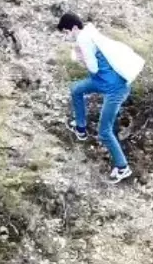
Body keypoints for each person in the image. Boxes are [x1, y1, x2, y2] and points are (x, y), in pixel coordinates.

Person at [58, 13, 144, 184]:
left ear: (74, 28)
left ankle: (122, 167)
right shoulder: (89, 34)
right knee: (76, 89)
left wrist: (81, 57)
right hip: (103, 82)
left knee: (104, 131)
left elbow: (93, 67)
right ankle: (80, 128)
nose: (66, 36)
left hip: (115, 89)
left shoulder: (84, 39)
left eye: (66, 32)